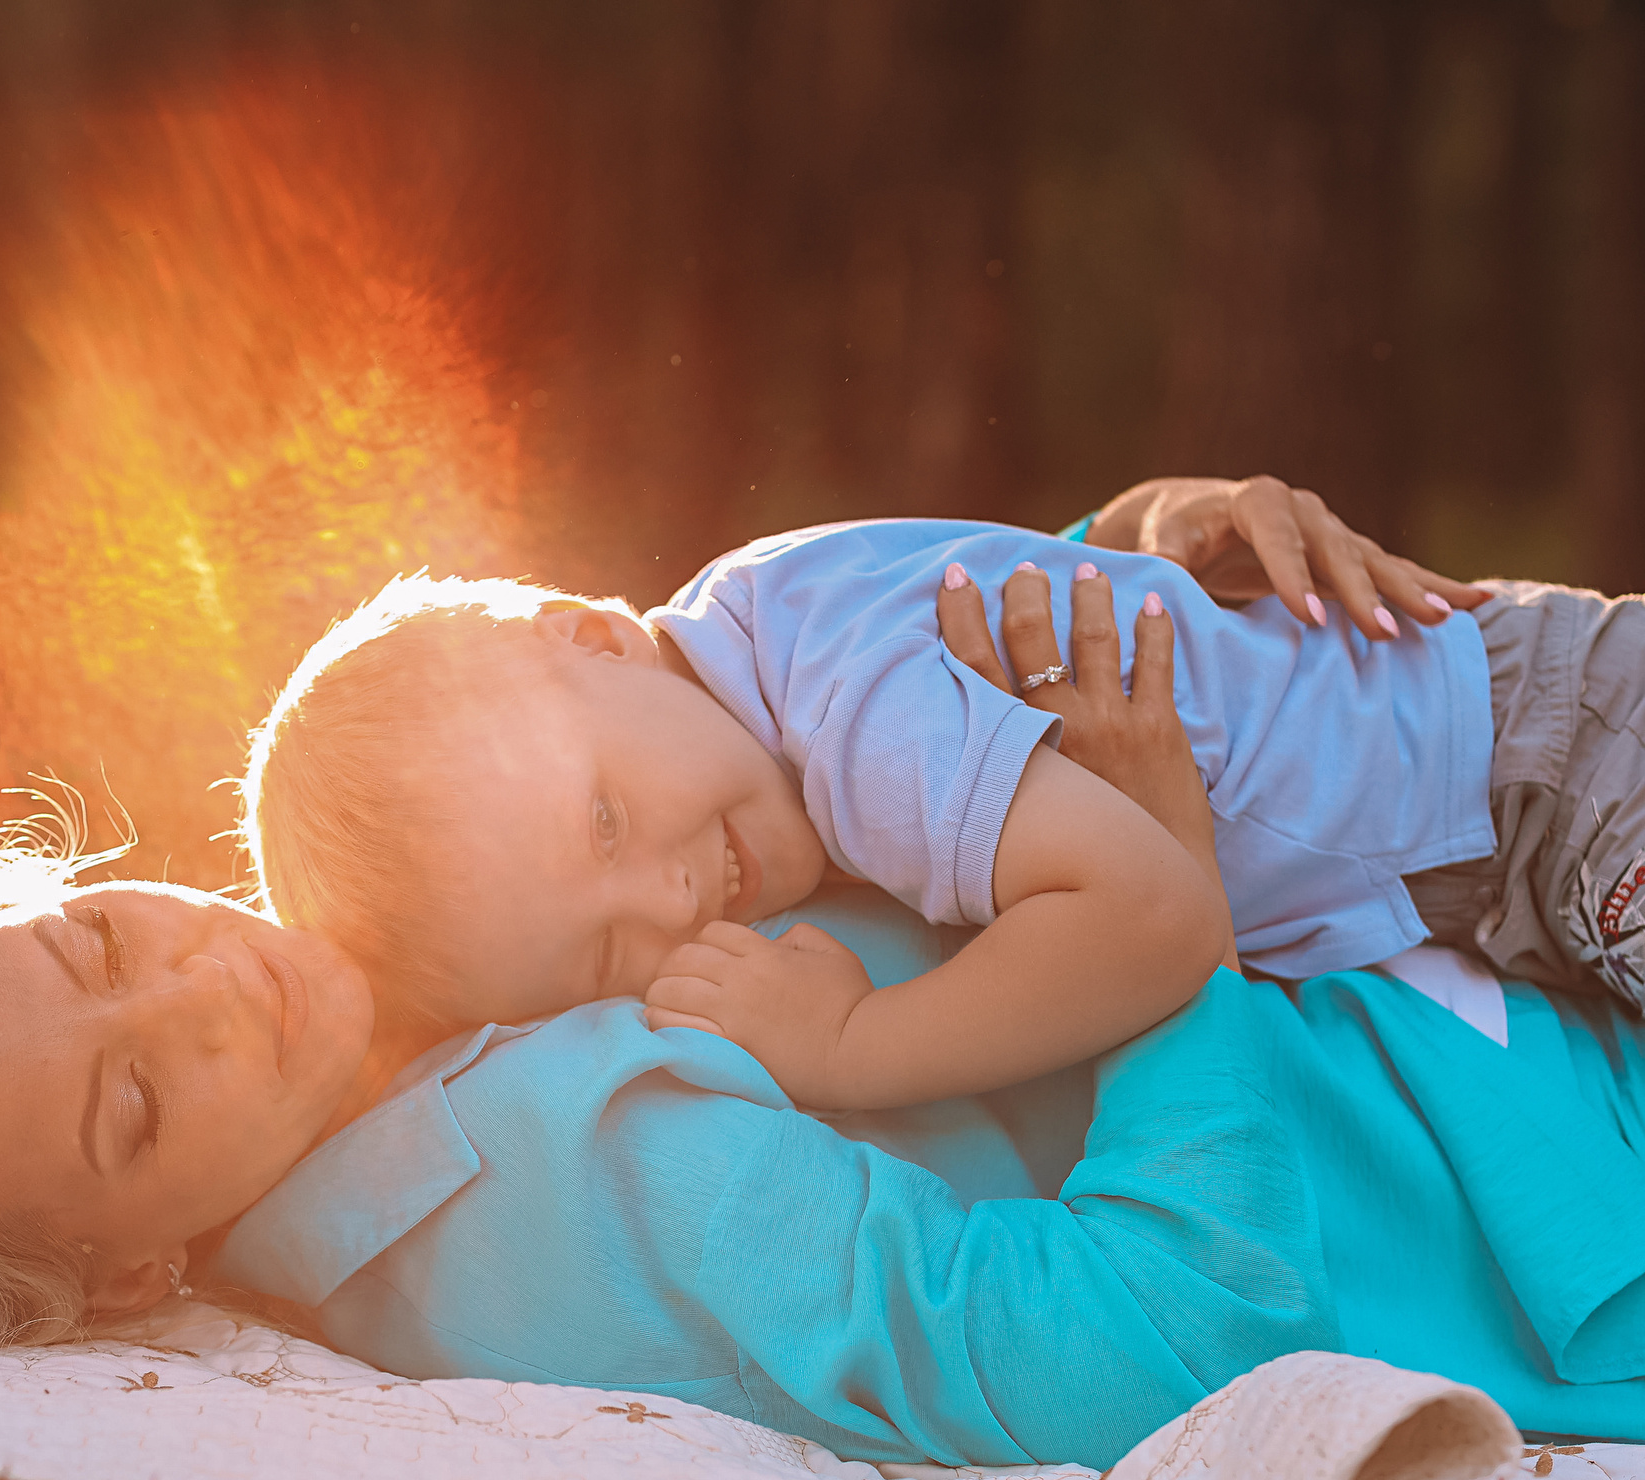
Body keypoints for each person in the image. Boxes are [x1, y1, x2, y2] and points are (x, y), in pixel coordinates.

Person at [0, 544, 1645, 1470]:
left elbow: (827, 750)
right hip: (1551, 1170)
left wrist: (1152, 565)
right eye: (133, 1110)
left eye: (102, 944)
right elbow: (1153, 1343)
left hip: (1480, 907)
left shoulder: (412, 891)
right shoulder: (553, 1207)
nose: (206, 994)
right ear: (123, 1273)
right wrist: (1172, 910)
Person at [238, 479, 1645, 1122]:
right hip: (1513, 781)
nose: (667, 897)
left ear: (593, 640)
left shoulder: (849, 707)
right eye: (605, 953)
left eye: (601, 822)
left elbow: (1153, 915)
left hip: (1553, 775)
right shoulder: (763, 627)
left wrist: (852, 1045)